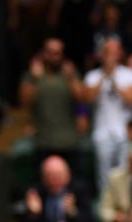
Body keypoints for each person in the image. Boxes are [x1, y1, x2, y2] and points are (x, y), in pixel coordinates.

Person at [83, 38, 132, 192]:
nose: (111, 56)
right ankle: (105, 209)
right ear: (102, 55)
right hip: (101, 132)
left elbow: (131, 100)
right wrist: (104, 76)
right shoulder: (92, 76)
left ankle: (123, 206)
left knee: (124, 173)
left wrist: (113, 78)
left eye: (115, 52)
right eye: (108, 52)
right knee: (104, 175)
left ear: (120, 54)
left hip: (123, 132)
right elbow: (88, 98)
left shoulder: (130, 74)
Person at [18, 37, 83, 165]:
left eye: (57, 53)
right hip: (43, 141)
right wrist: (35, 79)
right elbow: (24, 102)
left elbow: (82, 99)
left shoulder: (70, 74)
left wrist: (70, 79)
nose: (54, 56)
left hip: (69, 141)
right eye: (50, 52)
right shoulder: (33, 76)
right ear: (43, 53)